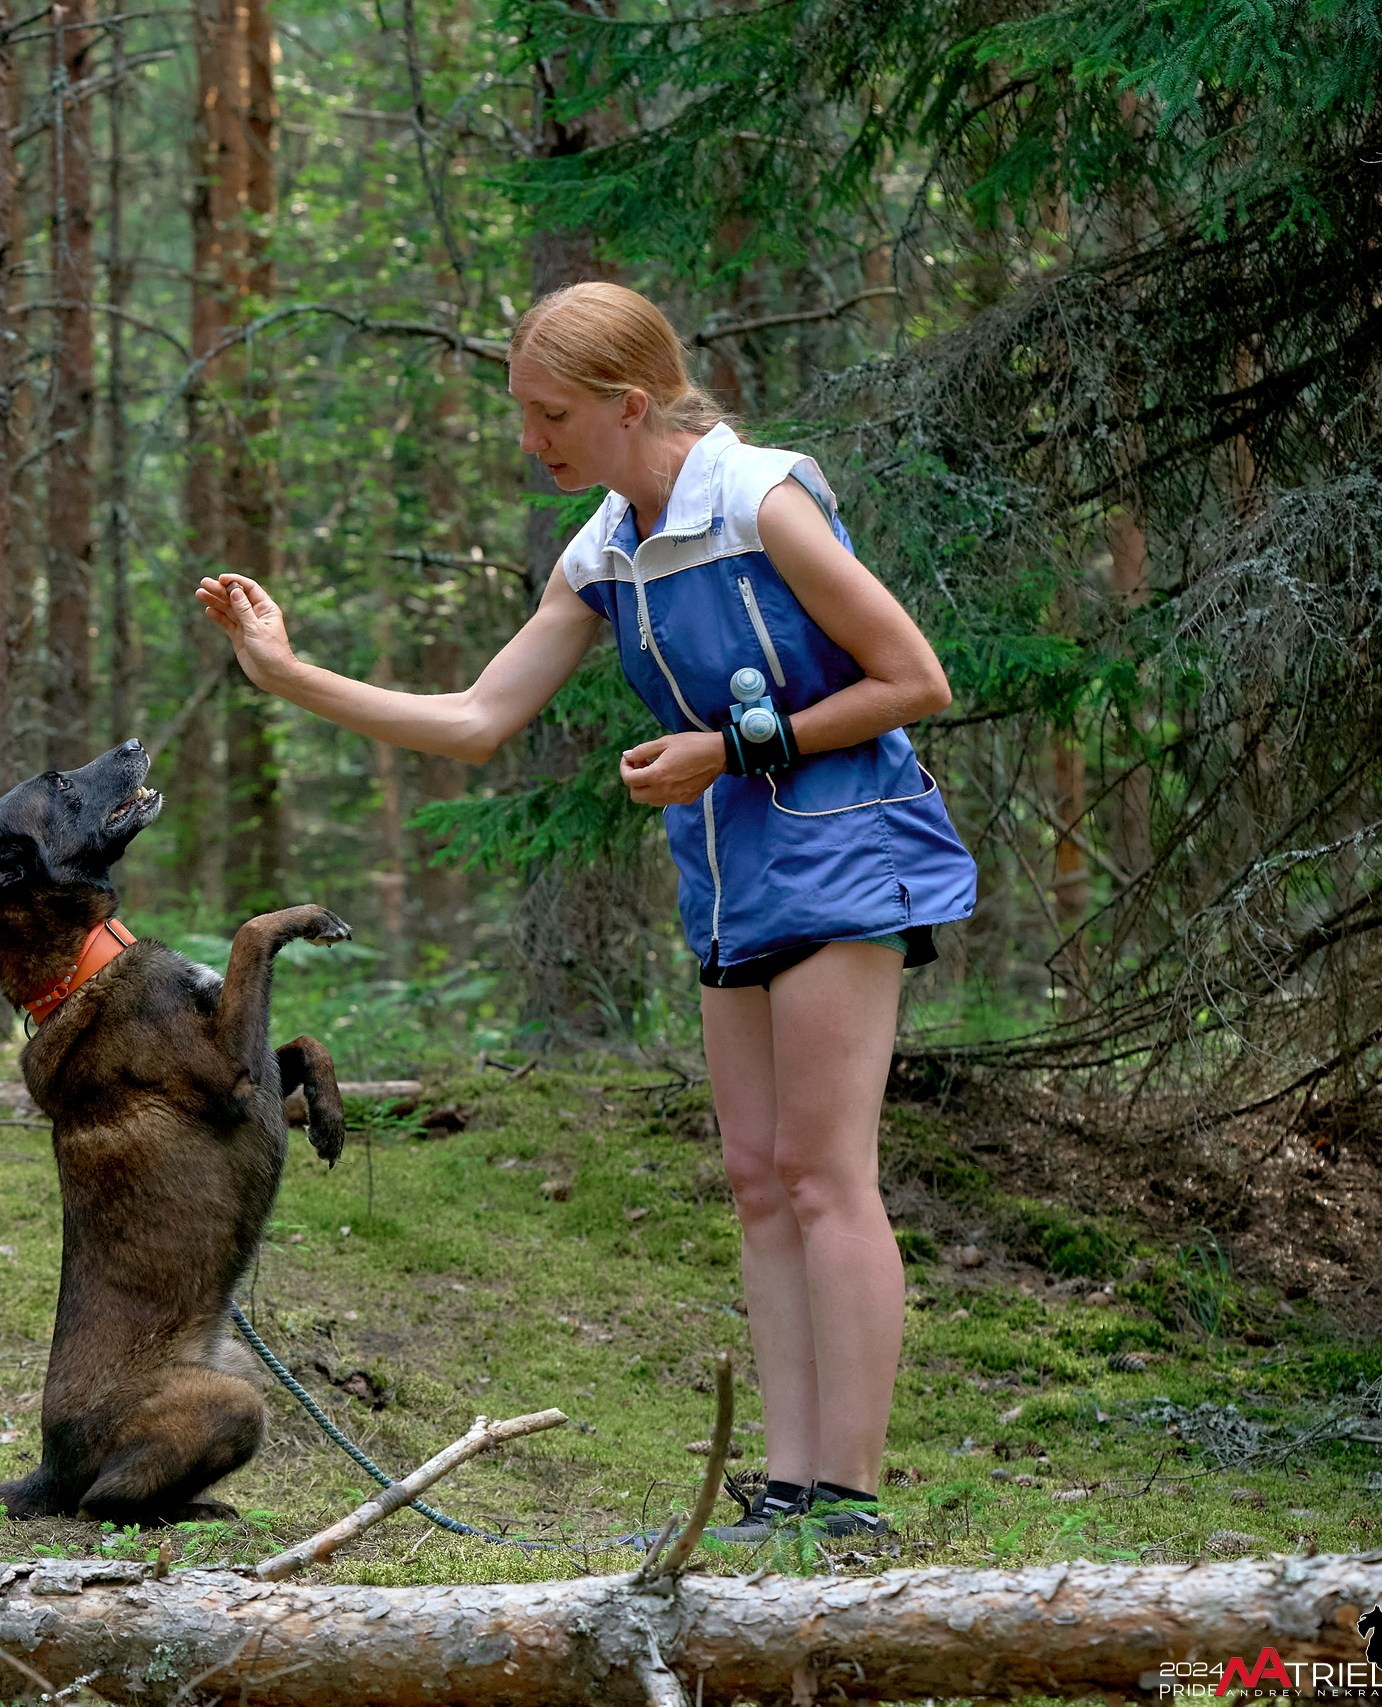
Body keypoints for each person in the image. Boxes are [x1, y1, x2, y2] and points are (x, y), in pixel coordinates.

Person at [196, 282, 977, 1542]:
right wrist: (287, 673)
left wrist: (728, 750)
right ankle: (782, 1494)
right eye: (522, 413)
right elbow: (473, 720)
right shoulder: (605, 545)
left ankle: (849, 1502)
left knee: (828, 1177)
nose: (533, 441)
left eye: (551, 414)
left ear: (628, 403)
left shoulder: (761, 499)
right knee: (757, 1179)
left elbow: (914, 678)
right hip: (732, 878)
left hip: (845, 853)